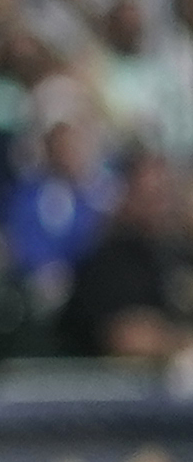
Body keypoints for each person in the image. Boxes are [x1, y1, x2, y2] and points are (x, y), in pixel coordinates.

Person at [58, 154, 193, 366]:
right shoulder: (106, 261)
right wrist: (177, 341)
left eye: (166, 193)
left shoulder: (179, 253)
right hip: (110, 391)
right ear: (127, 194)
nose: (161, 205)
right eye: (150, 195)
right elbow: (125, 338)